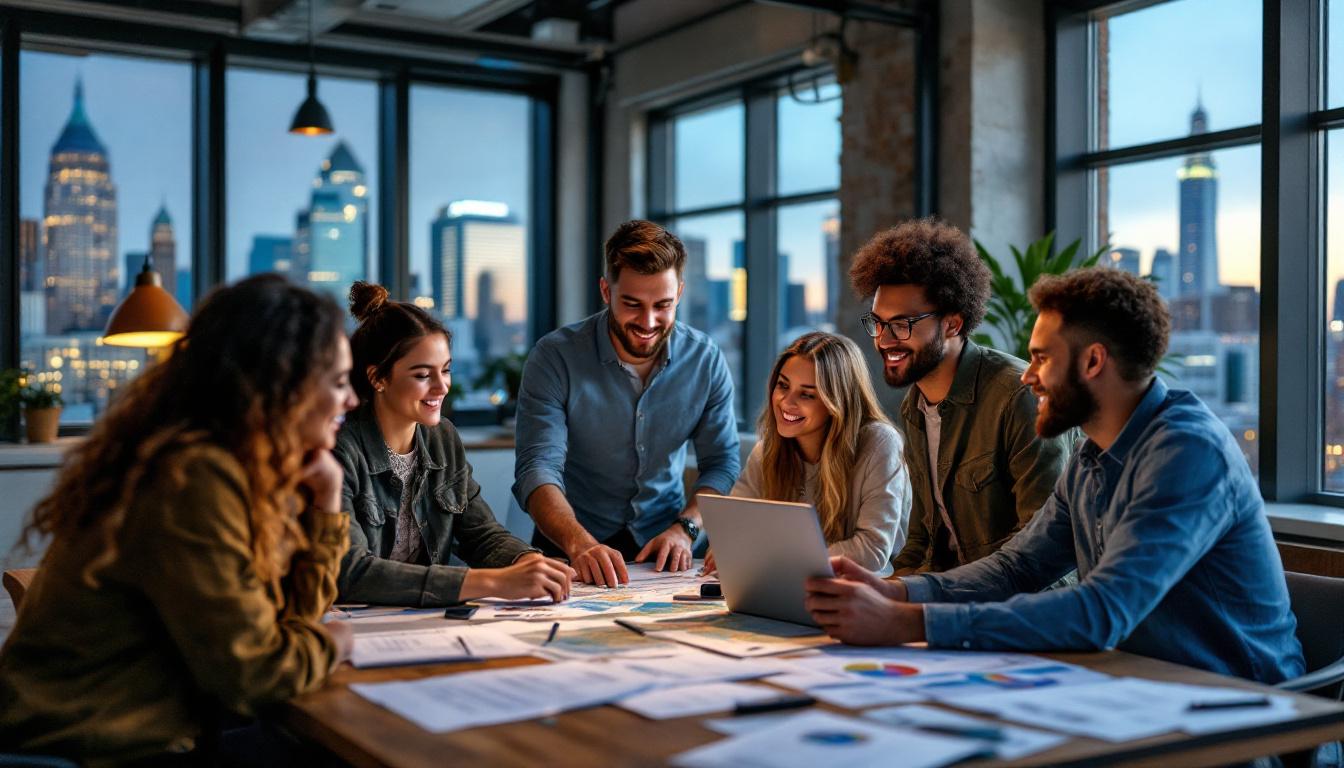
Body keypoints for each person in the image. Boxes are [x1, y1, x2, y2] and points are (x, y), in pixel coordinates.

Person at [805, 267, 1305, 684]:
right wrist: (896, 591)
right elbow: (1017, 568)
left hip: (1239, 715)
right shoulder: (1092, 455)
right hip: (1132, 689)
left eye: (1042, 358)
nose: (1027, 375)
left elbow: (1102, 610)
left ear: (1092, 361)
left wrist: (909, 622)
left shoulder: (1187, 452)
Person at [0, 275, 359, 764]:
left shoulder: (241, 470)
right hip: (86, 749)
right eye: (338, 382)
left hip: (143, 736)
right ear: (279, 384)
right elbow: (252, 676)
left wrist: (326, 502)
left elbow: (287, 625)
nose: (351, 401)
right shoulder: (192, 476)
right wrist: (332, 643)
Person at [513, 220, 741, 586]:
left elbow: (722, 463)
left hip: (669, 545)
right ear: (606, 291)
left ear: (679, 293)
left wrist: (686, 528)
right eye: (632, 304)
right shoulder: (555, 357)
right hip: (571, 543)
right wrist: (580, 544)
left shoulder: (706, 359)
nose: (648, 322)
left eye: (662, 305)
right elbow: (537, 469)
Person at [849, 218, 1072, 574]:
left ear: (952, 324)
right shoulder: (916, 407)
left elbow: (1041, 547)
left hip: (1014, 609)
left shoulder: (1018, 395)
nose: (884, 339)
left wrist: (934, 601)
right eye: (878, 322)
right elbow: (922, 542)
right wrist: (887, 593)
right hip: (953, 601)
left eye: (902, 324)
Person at [335, 282, 575, 606]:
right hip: (354, 626)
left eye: (446, 371)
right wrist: (493, 581)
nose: (442, 387)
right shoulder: (341, 451)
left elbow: (482, 535)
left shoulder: (442, 439)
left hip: (420, 623)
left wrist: (526, 563)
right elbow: (351, 572)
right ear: (378, 377)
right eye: (423, 375)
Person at [711, 331, 910, 575]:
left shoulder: (879, 443)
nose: (786, 402)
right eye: (783, 385)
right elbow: (733, 531)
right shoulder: (768, 449)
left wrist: (777, 562)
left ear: (837, 402)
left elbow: (873, 550)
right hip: (785, 587)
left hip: (863, 592)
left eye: (807, 394)